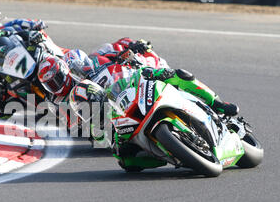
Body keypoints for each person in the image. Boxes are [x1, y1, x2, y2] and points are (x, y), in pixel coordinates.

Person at [68, 66, 240, 171]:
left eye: (90, 104)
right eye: (84, 111)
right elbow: (109, 146)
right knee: (128, 164)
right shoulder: (95, 129)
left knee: (180, 74)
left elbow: (133, 80)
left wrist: (148, 74)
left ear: (97, 94)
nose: (90, 110)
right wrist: (119, 148)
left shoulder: (113, 90)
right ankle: (177, 154)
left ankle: (217, 102)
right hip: (136, 135)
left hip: (144, 108)